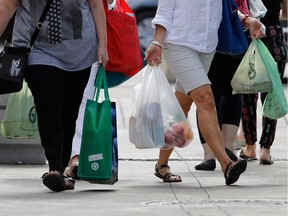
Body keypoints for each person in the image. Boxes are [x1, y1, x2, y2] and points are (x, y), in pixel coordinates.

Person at [144, 0, 265, 185]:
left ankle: (161, 165)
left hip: (206, 47)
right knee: (206, 99)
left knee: (182, 105)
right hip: (178, 44)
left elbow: (224, 9)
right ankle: (227, 164)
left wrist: (246, 19)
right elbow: (164, 12)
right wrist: (157, 42)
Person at [0, 0, 108, 192]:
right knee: (49, 106)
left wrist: (103, 46)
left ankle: (62, 168)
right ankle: (55, 168)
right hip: (36, 50)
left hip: (80, 52)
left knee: (69, 112)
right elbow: (7, 6)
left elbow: (96, 5)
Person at [194, 0, 266, 171]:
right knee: (232, 91)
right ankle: (226, 146)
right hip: (236, 35)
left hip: (209, 38)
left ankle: (209, 154)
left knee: (207, 95)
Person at [64, 0, 116, 179]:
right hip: (46, 48)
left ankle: (75, 157)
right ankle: (63, 157)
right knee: (61, 105)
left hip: (87, 44)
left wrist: (103, 45)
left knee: (82, 102)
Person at [239, 0, 287, 165]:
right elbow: (286, 14)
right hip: (275, 40)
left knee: (248, 96)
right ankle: (265, 150)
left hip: (250, 37)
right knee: (271, 95)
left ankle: (250, 147)